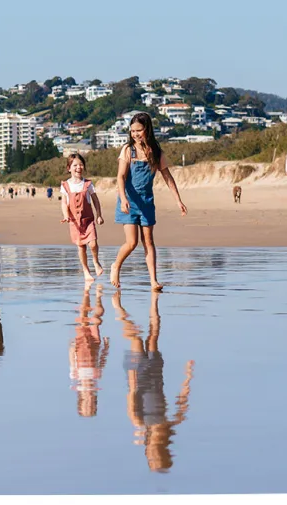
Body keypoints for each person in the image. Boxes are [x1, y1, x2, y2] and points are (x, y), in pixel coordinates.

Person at [115, 288, 194, 473]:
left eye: (152, 456)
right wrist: (188, 375)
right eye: (157, 455)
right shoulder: (170, 424)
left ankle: (117, 307)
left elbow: (132, 395)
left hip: (138, 375)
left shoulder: (139, 423)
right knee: (154, 332)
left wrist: (133, 376)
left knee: (135, 337)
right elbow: (182, 401)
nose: (153, 452)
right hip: (157, 373)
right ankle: (154, 300)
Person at [111, 112, 188, 291]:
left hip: (146, 202)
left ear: (147, 129)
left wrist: (178, 201)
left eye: (139, 130)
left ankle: (153, 280)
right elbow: (121, 177)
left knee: (149, 241)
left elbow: (168, 177)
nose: (135, 134)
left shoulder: (156, 152)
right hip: (129, 201)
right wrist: (122, 199)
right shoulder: (127, 150)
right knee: (132, 243)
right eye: (132, 131)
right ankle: (116, 266)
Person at [59, 152, 106, 281]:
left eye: (81, 165)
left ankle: (96, 262)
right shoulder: (65, 185)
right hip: (74, 222)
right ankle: (86, 270)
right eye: (75, 165)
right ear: (69, 168)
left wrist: (99, 215)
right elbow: (64, 203)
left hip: (88, 219)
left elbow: (95, 200)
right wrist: (66, 216)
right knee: (81, 247)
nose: (78, 167)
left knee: (93, 244)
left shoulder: (88, 184)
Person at [68, 286, 109, 417]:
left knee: (83, 318)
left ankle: (86, 293)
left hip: (80, 345)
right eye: (91, 404)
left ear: (81, 399)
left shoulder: (75, 377)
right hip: (95, 344)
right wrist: (106, 347)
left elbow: (72, 360)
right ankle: (98, 297)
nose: (89, 401)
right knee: (96, 320)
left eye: (87, 403)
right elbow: (102, 361)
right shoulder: (97, 376)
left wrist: (72, 346)